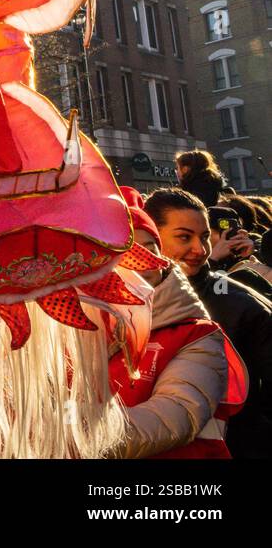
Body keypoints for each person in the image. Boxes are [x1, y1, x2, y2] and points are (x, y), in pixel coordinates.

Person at [111, 188, 239, 458]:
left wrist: (76, 436)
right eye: (125, 253)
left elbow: (176, 413)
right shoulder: (72, 329)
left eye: (148, 251)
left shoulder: (197, 333)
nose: (141, 264)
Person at [146, 187, 272, 458]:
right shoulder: (114, 301)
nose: (200, 249)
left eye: (204, 237)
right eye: (184, 237)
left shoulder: (241, 304)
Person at [208, 203, 272, 302]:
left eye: (232, 231)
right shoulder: (193, 260)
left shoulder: (255, 257)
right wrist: (213, 261)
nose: (226, 237)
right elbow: (217, 294)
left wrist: (248, 257)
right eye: (220, 231)